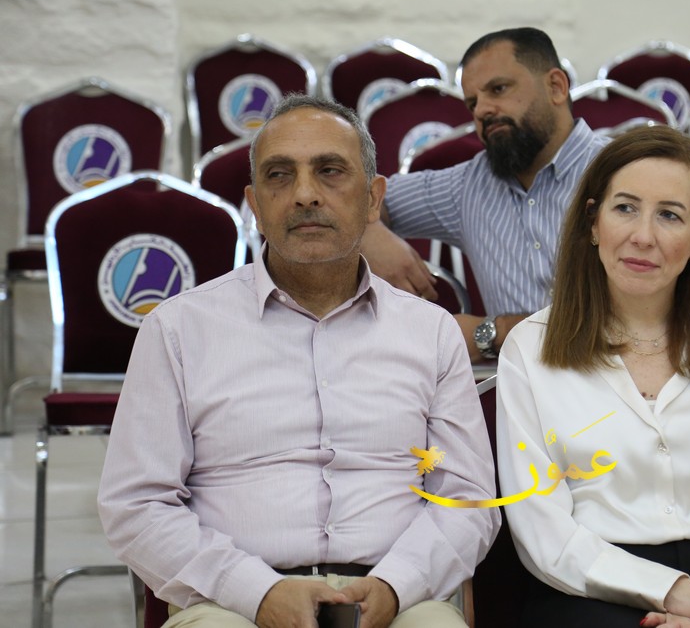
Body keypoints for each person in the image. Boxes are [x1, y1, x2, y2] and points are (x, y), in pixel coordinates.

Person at [97, 94, 499, 628]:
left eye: (330, 171)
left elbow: (467, 498)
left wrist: (395, 585)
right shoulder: (178, 330)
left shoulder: (431, 331)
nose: (305, 194)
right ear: (255, 204)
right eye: (279, 175)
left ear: (373, 199)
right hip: (229, 603)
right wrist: (257, 592)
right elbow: (137, 505)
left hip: (399, 599)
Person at [494, 125, 690, 628]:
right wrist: (672, 592)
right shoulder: (530, 348)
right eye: (625, 208)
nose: (642, 236)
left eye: (669, 215)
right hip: (589, 586)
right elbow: (541, 531)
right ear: (593, 223)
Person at [361, 27, 609, 363]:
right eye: (472, 102)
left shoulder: (626, 171)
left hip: (626, 383)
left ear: (556, 86)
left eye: (498, 89)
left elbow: (648, 317)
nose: (482, 111)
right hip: (521, 392)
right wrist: (369, 233)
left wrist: (495, 332)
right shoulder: (465, 187)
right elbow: (340, 200)